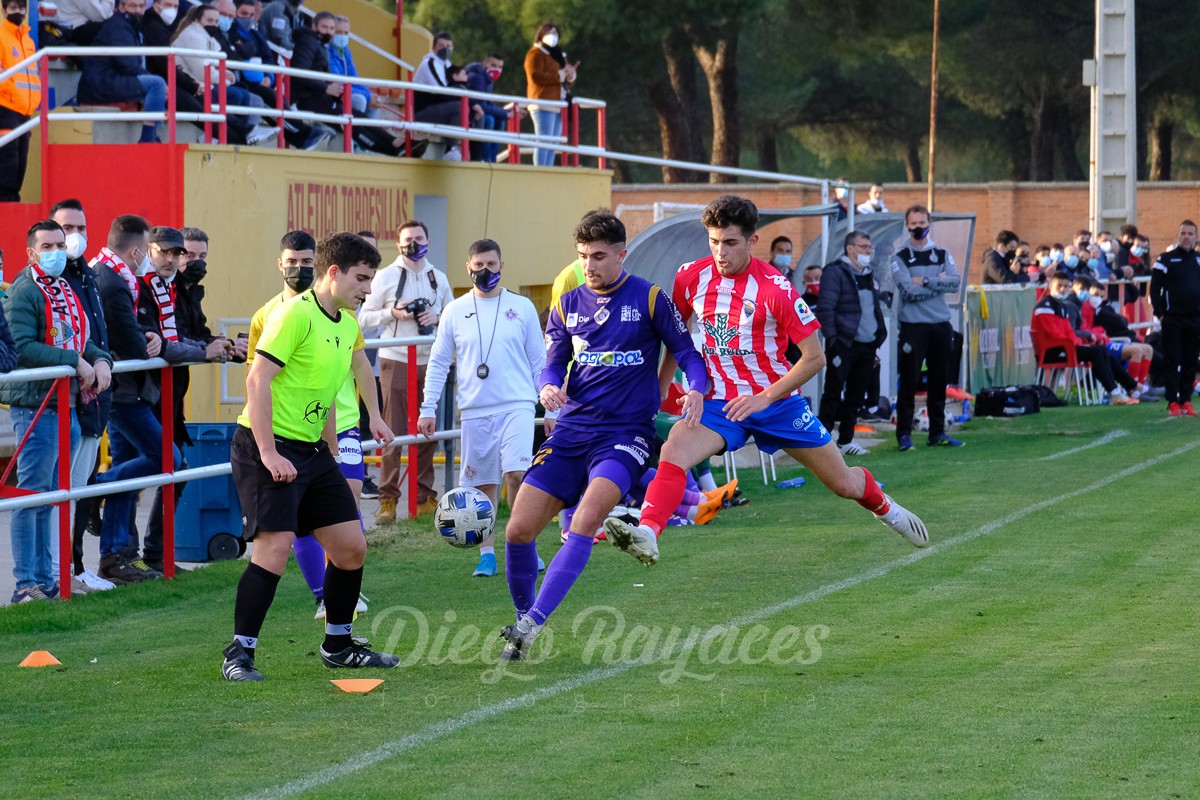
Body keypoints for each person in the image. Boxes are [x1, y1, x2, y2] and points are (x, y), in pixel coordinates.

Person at [604, 196, 928, 579]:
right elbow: (677, 338)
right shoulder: (691, 276)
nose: (720, 252)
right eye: (713, 241)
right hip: (720, 403)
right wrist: (660, 386)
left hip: (777, 404)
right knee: (674, 449)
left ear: (752, 240)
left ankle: (886, 510)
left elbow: (814, 357)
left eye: (730, 243)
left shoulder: (775, 287)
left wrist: (764, 397)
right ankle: (648, 532)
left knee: (844, 484)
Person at [495, 209, 708, 661]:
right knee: (517, 530)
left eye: (597, 256)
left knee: (587, 521)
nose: (588, 266)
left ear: (621, 254)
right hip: (572, 429)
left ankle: (531, 625)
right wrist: (548, 385)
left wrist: (695, 389)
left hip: (625, 433)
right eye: (582, 256)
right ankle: (522, 617)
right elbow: (553, 360)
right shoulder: (567, 304)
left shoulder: (649, 298)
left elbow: (688, 352)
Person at [221, 232, 396, 682]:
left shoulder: (346, 322)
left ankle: (338, 646)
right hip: (265, 445)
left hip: (312, 449)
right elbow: (257, 381)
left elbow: (341, 376)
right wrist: (268, 453)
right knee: (273, 548)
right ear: (333, 272)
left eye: (371, 280)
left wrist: (368, 420)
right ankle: (238, 654)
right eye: (362, 278)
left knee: (351, 547)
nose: (368, 289)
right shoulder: (294, 315)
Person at [417, 239, 546, 578]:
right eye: (479, 265)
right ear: (468, 267)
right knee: (481, 486)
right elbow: (439, 361)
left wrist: (549, 409)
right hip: (474, 409)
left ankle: (524, 545)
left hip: (518, 404)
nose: (485, 271)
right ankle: (487, 554)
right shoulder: (455, 311)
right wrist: (427, 407)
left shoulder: (522, 307)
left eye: (491, 265)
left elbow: (539, 360)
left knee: (518, 474)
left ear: (501, 266)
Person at [0, 220, 113, 603]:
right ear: (31, 252)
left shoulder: (64, 288)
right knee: (30, 496)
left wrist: (99, 360)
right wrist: (74, 360)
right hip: (35, 405)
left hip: (62, 406)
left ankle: (45, 581)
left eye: (60, 245)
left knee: (49, 496)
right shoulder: (24, 291)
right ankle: (25, 584)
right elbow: (21, 347)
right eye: (47, 246)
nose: (56, 252)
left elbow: (84, 339)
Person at [357, 220, 454, 523]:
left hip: (431, 360)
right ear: (398, 244)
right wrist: (394, 312)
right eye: (408, 239)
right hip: (395, 358)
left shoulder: (438, 278)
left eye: (419, 238)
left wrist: (435, 316)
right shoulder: (384, 277)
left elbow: (452, 318)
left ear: (428, 240)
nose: (414, 244)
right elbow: (363, 318)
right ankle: (388, 500)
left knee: (428, 430)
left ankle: (425, 496)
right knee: (392, 430)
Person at [50, 198, 118, 595]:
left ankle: (75, 567)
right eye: (66, 230)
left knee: (82, 490)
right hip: (69, 400)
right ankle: (65, 570)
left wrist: (103, 359)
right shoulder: (56, 282)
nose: (74, 237)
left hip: (96, 398)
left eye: (80, 228)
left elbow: (94, 335)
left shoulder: (88, 276)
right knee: (68, 490)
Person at [890, 204, 964, 451]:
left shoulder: (942, 253)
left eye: (922, 222)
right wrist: (937, 284)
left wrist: (927, 281)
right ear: (907, 225)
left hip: (941, 325)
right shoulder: (899, 257)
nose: (918, 227)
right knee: (909, 382)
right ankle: (904, 435)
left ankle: (937, 433)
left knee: (939, 381)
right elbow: (908, 292)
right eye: (914, 223)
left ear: (929, 224)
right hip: (913, 327)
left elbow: (954, 283)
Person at [816, 231, 888, 456]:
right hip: (843, 343)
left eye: (869, 247)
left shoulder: (868, 274)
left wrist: (877, 338)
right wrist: (834, 340)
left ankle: (846, 440)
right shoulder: (835, 272)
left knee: (856, 395)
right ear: (850, 248)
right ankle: (823, 443)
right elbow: (826, 308)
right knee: (833, 391)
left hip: (867, 345)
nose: (868, 251)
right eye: (864, 247)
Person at [1031, 271, 1133, 405]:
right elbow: (1053, 333)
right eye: (1059, 286)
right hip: (1053, 351)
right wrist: (1075, 343)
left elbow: (1068, 330)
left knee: (1100, 350)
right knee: (1096, 352)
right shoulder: (1045, 306)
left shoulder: (1061, 305)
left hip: (1064, 347)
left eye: (1066, 286)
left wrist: (1077, 342)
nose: (1063, 289)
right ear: (1050, 286)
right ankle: (1115, 393)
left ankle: (1115, 393)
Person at [77, 0, 169, 144]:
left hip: (109, 80)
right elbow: (128, 65)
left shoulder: (131, 26)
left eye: (141, 6)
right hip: (101, 84)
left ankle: (152, 136)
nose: (138, 10)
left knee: (158, 85)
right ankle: (148, 139)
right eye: (133, 6)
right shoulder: (118, 27)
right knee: (157, 84)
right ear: (121, 7)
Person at [1149, 220, 1200, 417]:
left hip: (1195, 319)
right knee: (1172, 360)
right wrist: (1160, 313)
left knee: (1191, 361)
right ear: (1178, 236)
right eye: (1183, 233)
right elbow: (1154, 288)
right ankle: (1173, 402)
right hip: (1173, 319)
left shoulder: (1198, 259)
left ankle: (1186, 400)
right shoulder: (1165, 259)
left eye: (1190, 233)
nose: (1186, 237)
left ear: (1196, 237)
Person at [525, 21, 576, 167]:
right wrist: (561, 74)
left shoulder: (559, 54)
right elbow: (536, 77)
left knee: (553, 142)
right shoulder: (534, 54)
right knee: (544, 141)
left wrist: (570, 75)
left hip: (559, 102)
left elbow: (565, 78)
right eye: (548, 33)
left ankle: (548, 171)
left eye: (555, 33)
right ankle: (540, 173)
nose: (552, 36)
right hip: (543, 102)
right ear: (540, 35)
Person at [1, 0, 37, 201]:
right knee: (8, 165)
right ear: (4, 10)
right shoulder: (0, 37)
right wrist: (13, 92)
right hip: (5, 108)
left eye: (21, 8)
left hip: (25, 111)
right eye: (13, 8)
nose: (18, 12)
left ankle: (13, 206)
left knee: (20, 166)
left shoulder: (27, 40)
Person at [465, 53, 517, 163]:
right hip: (470, 113)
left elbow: (488, 103)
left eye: (500, 67)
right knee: (490, 120)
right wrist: (505, 113)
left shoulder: (487, 79)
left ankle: (492, 159)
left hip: (479, 111)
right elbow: (480, 103)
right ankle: (485, 159)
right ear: (485, 64)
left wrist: (505, 112)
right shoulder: (476, 76)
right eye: (493, 65)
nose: (497, 69)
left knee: (499, 120)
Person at [327, 16, 374, 118]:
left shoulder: (346, 51)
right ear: (331, 32)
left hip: (345, 90)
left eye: (346, 33)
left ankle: (369, 131)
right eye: (339, 32)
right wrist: (368, 96)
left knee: (375, 102)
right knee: (360, 99)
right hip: (333, 94)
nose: (343, 36)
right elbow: (338, 83)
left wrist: (370, 95)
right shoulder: (326, 51)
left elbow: (354, 78)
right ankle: (354, 131)